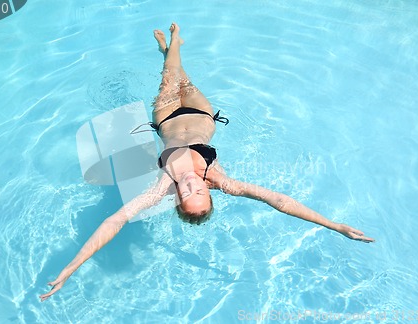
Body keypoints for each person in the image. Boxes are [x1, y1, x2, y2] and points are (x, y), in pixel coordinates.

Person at [39, 23, 374, 302]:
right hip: (202, 115)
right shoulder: (222, 179)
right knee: (183, 77)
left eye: (187, 193)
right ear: (210, 192)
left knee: (171, 74)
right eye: (199, 190)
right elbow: (279, 201)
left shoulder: (161, 187)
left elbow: (114, 222)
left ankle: (172, 45)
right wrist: (334, 225)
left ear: (179, 200)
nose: (191, 184)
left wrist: (70, 268)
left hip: (166, 115)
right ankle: (171, 48)